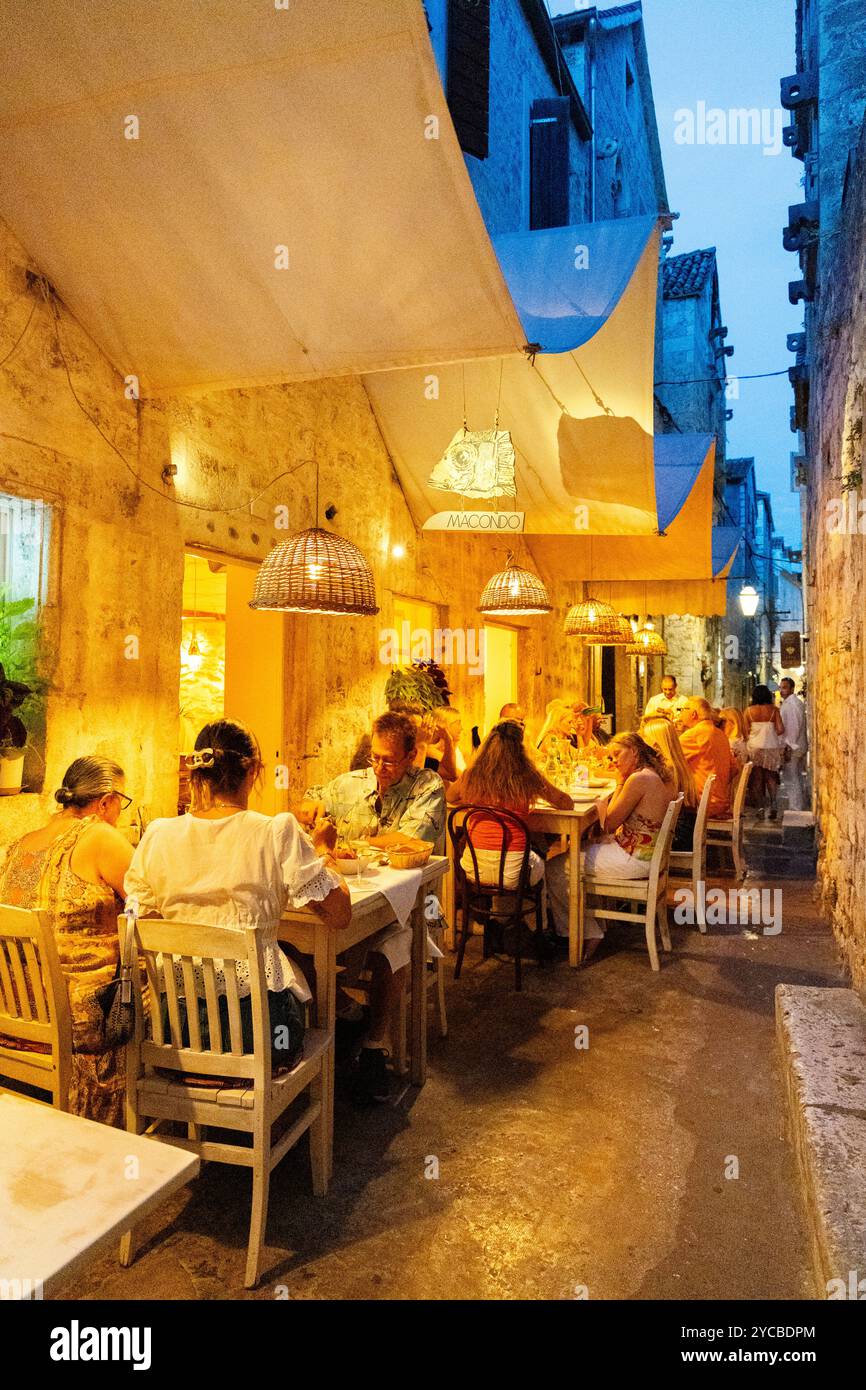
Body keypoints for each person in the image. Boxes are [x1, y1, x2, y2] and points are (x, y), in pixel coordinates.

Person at [124, 721, 350, 1081]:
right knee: (309, 984)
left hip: (175, 1034)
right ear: (254, 770)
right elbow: (339, 916)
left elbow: (142, 918)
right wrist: (324, 852)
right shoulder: (276, 832)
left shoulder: (158, 836)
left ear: (198, 776)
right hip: (259, 1038)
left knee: (296, 969)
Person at [300, 711, 445, 1103]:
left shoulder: (427, 786)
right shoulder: (350, 784)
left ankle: (375, 1047)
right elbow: (312, 800)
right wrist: (308, 809)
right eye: (375, 758)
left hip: (416, 905)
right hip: (358, 895)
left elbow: (411, 841)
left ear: (412, 755)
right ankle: (349, 1015)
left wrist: (357, 843)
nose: (380, 767)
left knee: (394, 942)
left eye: (390, 760)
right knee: (296, 944)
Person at [0, 756, 135, 1126]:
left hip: (16, 1013)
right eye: (122, 804)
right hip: (79, 1021)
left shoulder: (20, 844)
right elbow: (151, 905)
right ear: (106, 801)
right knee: (172, 994)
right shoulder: (100, 835)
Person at [546, 733, 674, 953]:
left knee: (555, 867)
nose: (613, 761)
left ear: (633, 751)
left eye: (617, 754)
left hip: (635, 858)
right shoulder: (648, 775)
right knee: (581, 848)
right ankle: (588, 923)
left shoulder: (638, 779)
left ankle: (586, 932)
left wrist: (616, 785)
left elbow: (609, 824)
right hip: (642, 853)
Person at [447, 720, 572, 885]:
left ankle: (495, 906)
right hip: (514, 874)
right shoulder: (527, 775)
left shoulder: (472, 774)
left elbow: (449, 796)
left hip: (474, 870)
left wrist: (477, 796)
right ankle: (535, 907)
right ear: (520, 749)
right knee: (541, 851)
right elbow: (566, 803)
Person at [640, 716, 698, 851]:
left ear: (655, 742)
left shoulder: (665, 769)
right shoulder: (676, 763)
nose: (641, 742)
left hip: (674, 838)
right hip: (683, 830)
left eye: (644, 738)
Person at [677, 696, 739, 819]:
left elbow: (670, 761)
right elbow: (734, 768)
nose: (680, 713)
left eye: (682, 709)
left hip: (701, 803)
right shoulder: (720, 734)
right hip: (720, 801)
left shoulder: (693, 735)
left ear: (693, 714)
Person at [744, 686, 786, 820]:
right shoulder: (774, 710)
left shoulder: (748, 711)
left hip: (754, 747)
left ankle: (760, 808)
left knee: (757, 778)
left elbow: (745, 732)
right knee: (771, 778)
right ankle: (773, 804)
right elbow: (780, 730)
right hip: (771, 747)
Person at [779, 678, 808, 811]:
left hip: (793, 747)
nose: (782, 690)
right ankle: (798, 806)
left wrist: (788, 746)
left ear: (791, 688)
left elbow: (793, 727)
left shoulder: (791, 705)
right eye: (781, 687)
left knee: (791, 778)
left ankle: (795, 807)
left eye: (784, 687)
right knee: (796, 777)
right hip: (799, 745)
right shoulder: (795, 703)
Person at [536, 700, 579, 781]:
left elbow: (579, 756)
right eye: (569, 722)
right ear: (558, 722)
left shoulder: (563, 740)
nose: (572, 726)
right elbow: (562, 762)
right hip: (550, 782)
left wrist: (580, 735)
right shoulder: (551, 738)